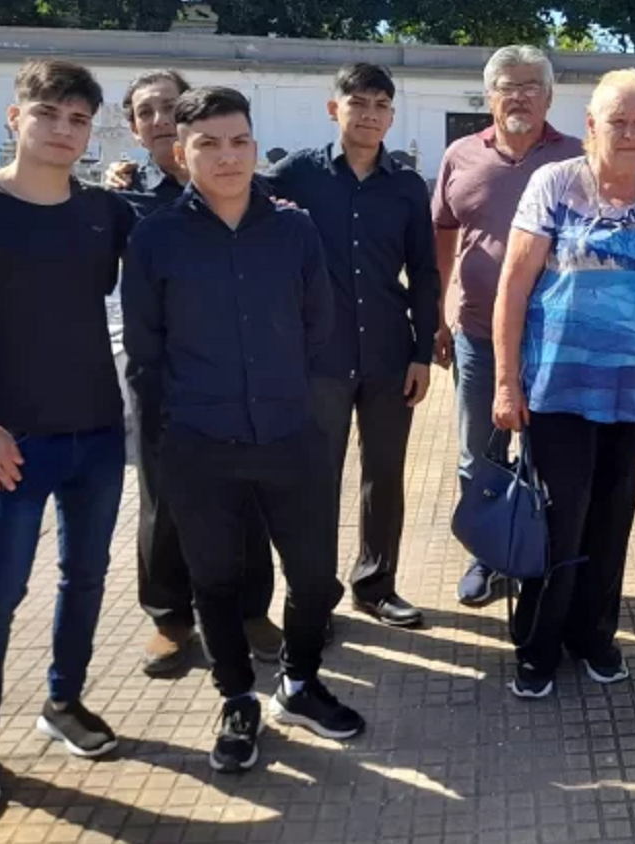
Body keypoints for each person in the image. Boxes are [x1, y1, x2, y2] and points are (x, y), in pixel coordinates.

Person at [122, 86, 364, 773]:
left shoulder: (294, 230)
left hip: (291, 436)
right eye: (207, 144)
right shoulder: (156, 239)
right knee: (217, 583)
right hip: (201, 444)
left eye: (237, 142)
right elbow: (145, 350)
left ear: (255, 148)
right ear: (181, 152)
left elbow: (322, 330)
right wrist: (164, 449)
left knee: (315, 577)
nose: (225, 157)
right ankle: (237, 698)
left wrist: (309, 413)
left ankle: (299, 680)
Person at [0, 59, 135, 813]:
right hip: (12, 438)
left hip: (99, 433)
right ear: (16, 118)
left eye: (79, 119)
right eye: (49, 114)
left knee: (86, 578)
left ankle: (63, 702)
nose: (64, 131)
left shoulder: (105, 214)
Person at [493, 68, 635, 699]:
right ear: (591, 126)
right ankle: (538, 645)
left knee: (613, 519)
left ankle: (594, 635)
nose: (629, 132)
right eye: (616, 120)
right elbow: (513, 288)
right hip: (559, 391)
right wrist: (504, 383)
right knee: (558, 520)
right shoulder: (555, 184)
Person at [111, 69, 282, 676]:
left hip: (242, 378)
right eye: (146, 112)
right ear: (135, 129)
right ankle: (170, 615)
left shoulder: (250, 190)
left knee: (249, 495)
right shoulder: (124, 200)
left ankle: (251, 610)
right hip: (163, 375)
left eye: (168, 108)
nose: (158, 119)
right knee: (165, 498)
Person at [265, 63, 440, 629]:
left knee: (384, 474)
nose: (369, 114)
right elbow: (234, 199)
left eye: (380, 105)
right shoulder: (296, 175)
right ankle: (312, 594)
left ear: (391, 114)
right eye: (358, 102)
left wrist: (420, 353)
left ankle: (376, 585)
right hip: (319, 357)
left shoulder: (408, 185)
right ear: (333, 107)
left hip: (390, 354)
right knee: (318, 477)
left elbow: (425, 271)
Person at [433, 45, 581, 607]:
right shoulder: (460, 156)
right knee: (481, 454)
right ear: (489, 95)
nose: (518, 96)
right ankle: (487, 556)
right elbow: (443, 235)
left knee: (553, 455)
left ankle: (545, 553)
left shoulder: (574, 158)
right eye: (507, 86)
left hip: (555, 338)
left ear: (548, 95)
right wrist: (438, 316)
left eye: (531, 86)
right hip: (475, 334)